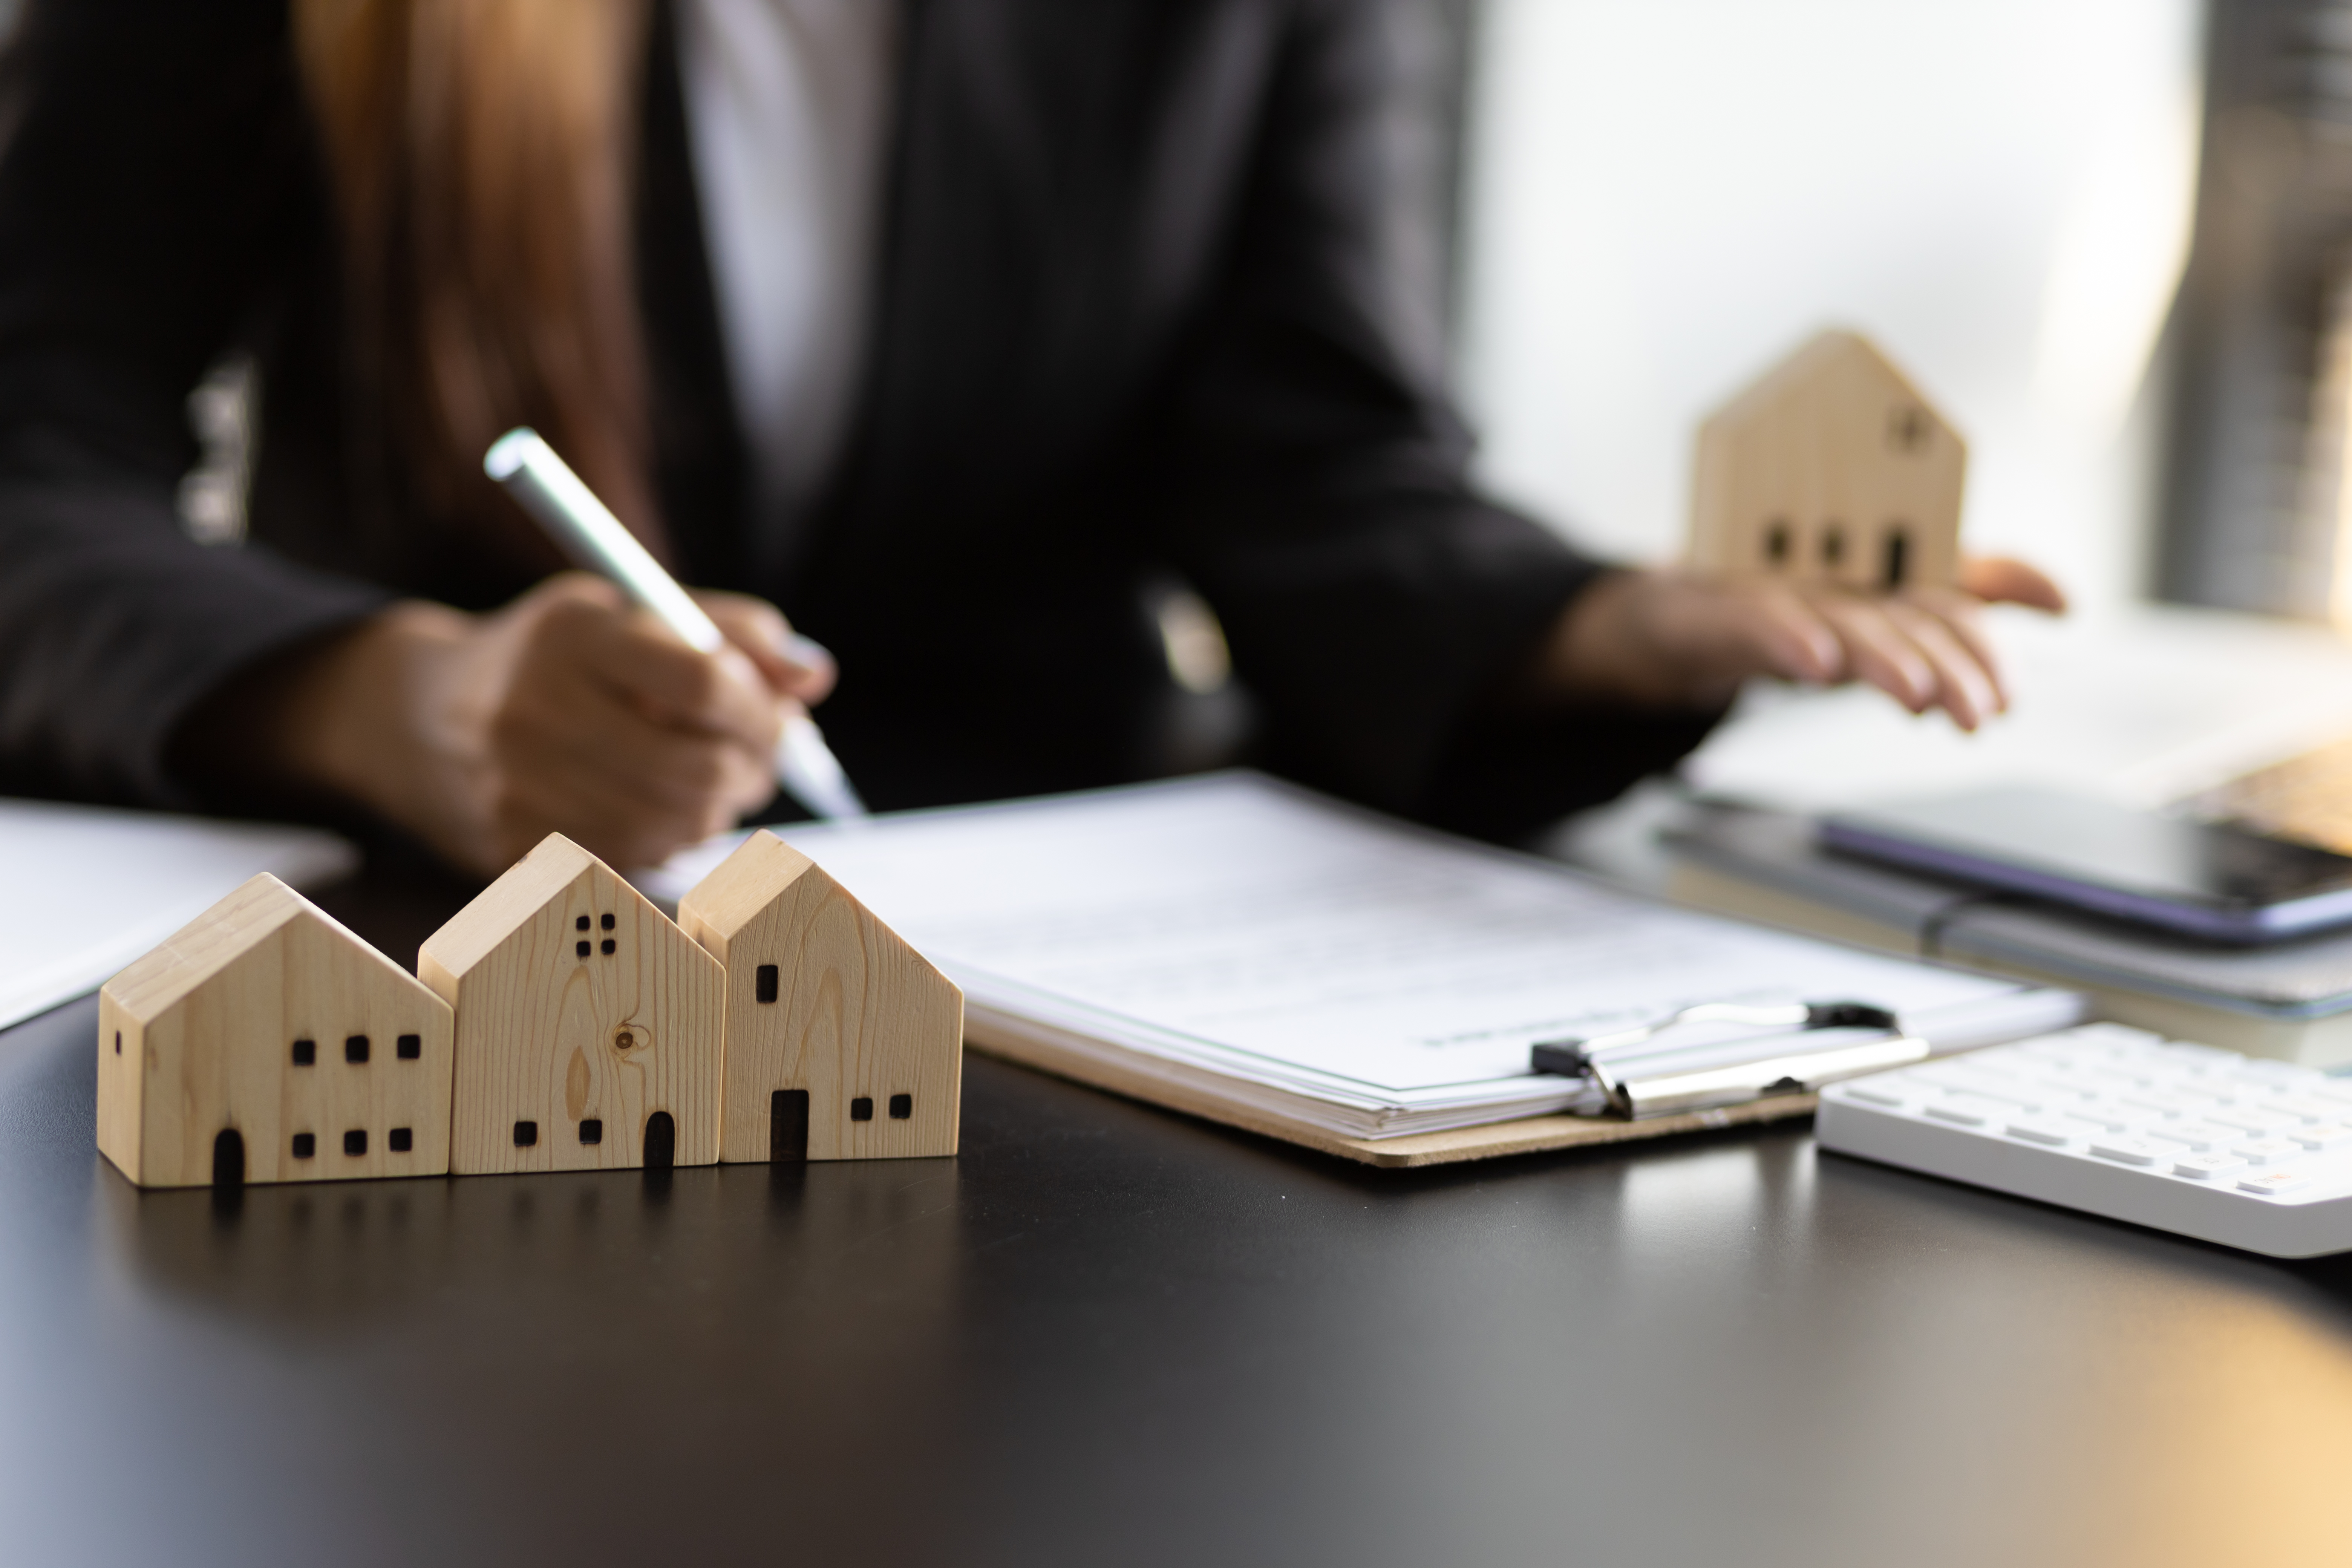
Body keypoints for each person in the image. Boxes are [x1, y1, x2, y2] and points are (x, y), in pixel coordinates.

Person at [0, 0, 2060, 878]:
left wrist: (1617, 624)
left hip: (1059, 1019)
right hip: (456, 986)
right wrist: (414, 705)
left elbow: (1317, 475)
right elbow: (29, 476)